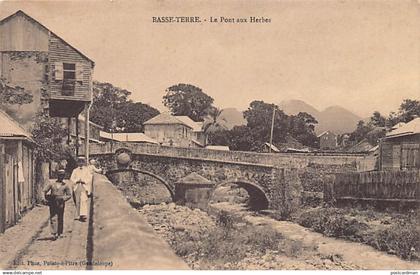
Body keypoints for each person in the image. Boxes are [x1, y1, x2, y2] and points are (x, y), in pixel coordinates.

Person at [42, 169, 72, 240]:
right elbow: (44, 190)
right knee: (53, 217)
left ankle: (60, 232)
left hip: (61, 203)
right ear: (57, 175)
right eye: (60, 175)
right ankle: (54, 233)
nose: (61, 177)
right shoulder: (52, 184)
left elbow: (69, 195)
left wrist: (63, 198)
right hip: (53, 202)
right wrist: (43, 198)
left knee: (60, 217)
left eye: (62, 175)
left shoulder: (66, 185)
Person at [70, 157, 92, 222]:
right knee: (78, 200)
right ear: (78, 163)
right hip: (77, 186)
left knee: (83, 200)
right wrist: (76, 181)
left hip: (84, 186)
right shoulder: (75, 170)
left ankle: (84, 214)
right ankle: (79, 214)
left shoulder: (87, 170)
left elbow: (90, 178)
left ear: (84, 163)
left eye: (82, 162)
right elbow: (71, 179)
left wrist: (84, 181)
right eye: (79, 162)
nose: (81, 163)